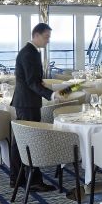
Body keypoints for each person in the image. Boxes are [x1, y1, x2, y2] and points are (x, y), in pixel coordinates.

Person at [9, 23, 64, 191]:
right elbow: (31, 82)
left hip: (25, 102)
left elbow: (32, 79)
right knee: (30, 141)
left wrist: (42, 84)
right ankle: (33, 181)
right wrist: (51, 95)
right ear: (36, 35)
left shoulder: (30, 52)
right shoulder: (29, 53)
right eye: (46, 37)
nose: (48, 41)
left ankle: (17, 178)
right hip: (27, 103)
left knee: (21, 141)